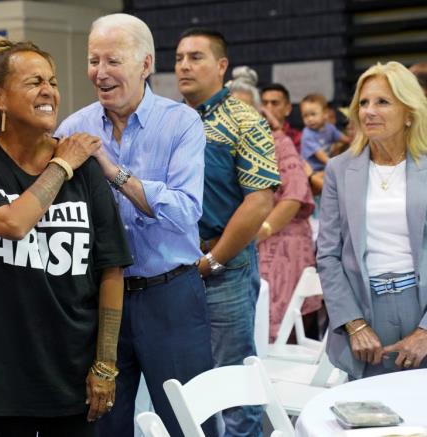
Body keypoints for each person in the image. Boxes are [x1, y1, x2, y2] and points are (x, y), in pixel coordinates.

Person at [0, 36, 132, 437]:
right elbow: (13, 223)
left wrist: (105, 364)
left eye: (52, 81)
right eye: (33, 82)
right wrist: (62, 164)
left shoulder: (86, 171)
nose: (49, 90)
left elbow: (111, 269)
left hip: (71, 369)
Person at [56, 14, 216, 437]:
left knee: (189, 420)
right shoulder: (73, 128)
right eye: (93, 60)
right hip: (98, 301)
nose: (100, 72)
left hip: (171, 296)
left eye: (113, 60)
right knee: (101, 423)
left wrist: (113, 171)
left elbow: (184, 210)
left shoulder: (181, 123)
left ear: (145, 64)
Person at [175, 28, 280, 437]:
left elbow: (259, 201)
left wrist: (213, 259)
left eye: (196, 57)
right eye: (180, 57)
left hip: (226, 265)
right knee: (186, 380)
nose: (184, 65)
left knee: (234, 381)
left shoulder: (244, 119)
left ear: (221, 66)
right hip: (173, 268)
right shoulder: (168, 119)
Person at [317, 61, 427, 379]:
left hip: (419, 304)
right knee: (372, 420)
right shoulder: (340, 169)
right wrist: (353, 323)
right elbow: (327, 254)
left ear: (409, 112)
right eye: (363, 103)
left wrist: (424, 331)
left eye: (382, 102)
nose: (369, 111)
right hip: (364, 309)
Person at [256, 129, 319, 341]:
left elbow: (294, 197)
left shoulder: (279, 143)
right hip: (239, 248)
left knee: (284, 331)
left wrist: (254, 235)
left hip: (280, 242)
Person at [300, 93, 351, 173]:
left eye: (313, 114)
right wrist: (334, 166)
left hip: (326, 165)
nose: (309, 119)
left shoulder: (329, 127)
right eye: (305, 116)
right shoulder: (307, 134)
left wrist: (352, 141)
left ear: (325, 114)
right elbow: (320, 154)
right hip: (313, 169)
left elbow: (342, 137)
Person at [261, 83, 302, 153]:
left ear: (288, 109)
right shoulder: (252, 134)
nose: (268, 108)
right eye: (264, 103)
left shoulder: (298, 138)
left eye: (275, 103)